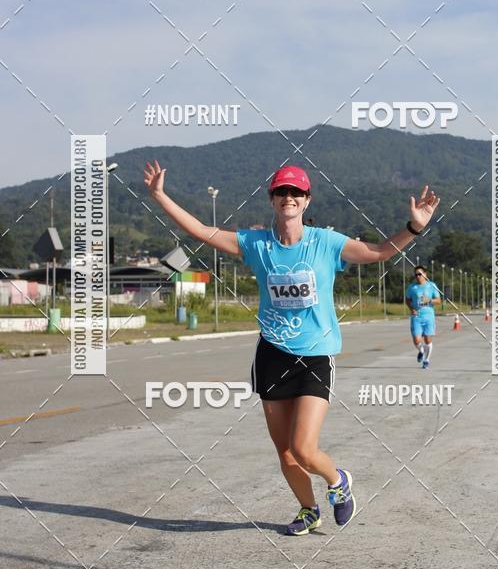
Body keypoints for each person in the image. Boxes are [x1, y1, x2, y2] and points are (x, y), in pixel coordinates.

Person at [144, 161, 440, 535]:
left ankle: (338, 481)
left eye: (296, 192)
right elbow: (203, 231)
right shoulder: (256, 244)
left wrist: (415, 227)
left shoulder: (327, 242)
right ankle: (307, 509)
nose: (289, 197)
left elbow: (379, 251)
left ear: (307, 200)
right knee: (285, 453)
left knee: (303, 448)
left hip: (315, 357)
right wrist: (159, 196)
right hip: (272, 355)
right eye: (282, 191)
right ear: (272, 199)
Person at [405, 266, 442, 369]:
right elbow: (407, 300)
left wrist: (429, 301)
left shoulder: (431, 285)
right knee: (416, 340)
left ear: (425, 275)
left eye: (419, 274)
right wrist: (411, 308)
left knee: (427, 339)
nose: (417, 276)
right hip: (416, 316)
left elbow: (438, 300)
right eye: (416, 275)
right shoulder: (412, 287)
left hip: (429, 316)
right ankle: (421, 351)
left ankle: (426, 360)